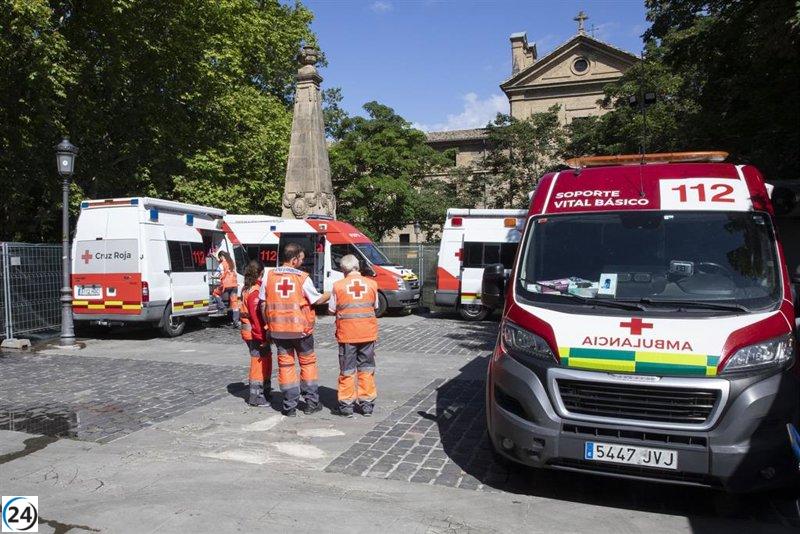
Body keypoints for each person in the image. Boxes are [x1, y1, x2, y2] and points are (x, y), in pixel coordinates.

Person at [261, 243, 330, 416]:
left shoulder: (268, 276)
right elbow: (316, 300)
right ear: (293, 260)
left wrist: (268, 325)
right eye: (300, 258)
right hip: (301, 331)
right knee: (307, 364)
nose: (302, 261)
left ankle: (289, 405)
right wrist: (329, 293)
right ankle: (311, 403)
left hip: (278, 330)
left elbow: (263, 304)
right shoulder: (302, 277)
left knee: (286, 366)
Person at [329, 254, 379, 417]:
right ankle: (367, 404)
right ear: (358, 267)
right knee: (366, 368)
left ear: (343, 270)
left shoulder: (338, 286)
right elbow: (375, 306)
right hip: (367, 334)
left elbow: (331, 309)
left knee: (347, 370)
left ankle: (346, 406)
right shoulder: (372, 284)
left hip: (347, 335)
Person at [240, 260, 272, 407]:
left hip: (250, 331)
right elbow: (256, 317)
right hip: (255, 333)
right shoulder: (255, 292)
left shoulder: (247, 288)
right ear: (261, 274)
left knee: (265, 359)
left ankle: (264, 390)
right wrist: (263, 336)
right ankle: (256, 396)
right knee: (258, 363)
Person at [217, 250, 240, 327]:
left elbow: (217, 274)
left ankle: (222, 307)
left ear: (221, 257)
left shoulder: (221, 265)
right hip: (234, 285)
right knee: (234, 303)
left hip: (226, 285)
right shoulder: (232, 263)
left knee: (215, 293)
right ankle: (236, 321)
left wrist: (212, 276)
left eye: (219, 258)